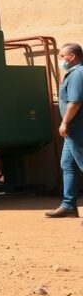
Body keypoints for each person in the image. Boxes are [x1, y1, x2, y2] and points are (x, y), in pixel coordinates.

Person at [46, 43, 83, 219]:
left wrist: (65, 123)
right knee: (67, 165)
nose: (61, 61)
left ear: (72, 57)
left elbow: (75, 102)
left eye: (62, 57)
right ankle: (68, 205)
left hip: (77, 128)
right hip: (72, 130)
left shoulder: (77, 74)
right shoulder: (73, 73)